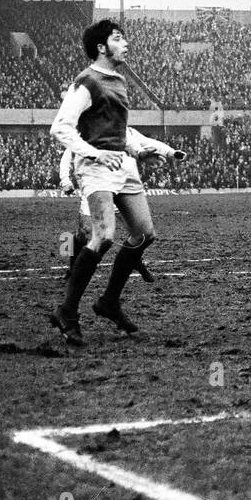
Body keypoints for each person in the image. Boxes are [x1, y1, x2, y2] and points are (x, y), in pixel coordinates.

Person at [49, 20, 185, 346]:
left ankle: (108, 302)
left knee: (144, 234)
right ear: (101, 47)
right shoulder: (86, 82)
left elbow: (121, 132)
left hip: (122, 166)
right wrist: (94, 153)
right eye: (118, 39)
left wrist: (147, 151)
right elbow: (60, 129)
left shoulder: (120, 81)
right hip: (95, 168)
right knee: (104, 235)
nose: (126, 44)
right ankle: (67, 310)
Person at [59, 147, 154, 283]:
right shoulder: (82, 134)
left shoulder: (114, 133)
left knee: (140, 232)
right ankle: (73, 269)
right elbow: (66, 158)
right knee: (84, 232)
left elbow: (132, 147)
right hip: (93, 190)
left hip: (120, 189)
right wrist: (65, 180)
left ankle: (137, 263)